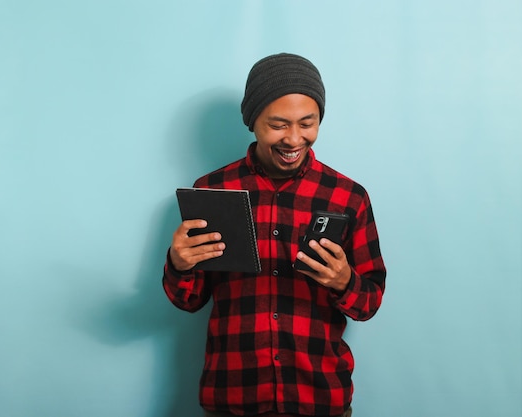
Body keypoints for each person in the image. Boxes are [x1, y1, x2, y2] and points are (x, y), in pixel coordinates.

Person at [162, 53, 386, 417]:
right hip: (233, 397)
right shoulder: (213, 191)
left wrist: (345, 281)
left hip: (319, 399)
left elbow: (370, 302)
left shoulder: (349, 197)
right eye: (278, 125)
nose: (294, 138)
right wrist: (179, 264)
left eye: (307, 123)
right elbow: (187, 301)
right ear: (252, 122)